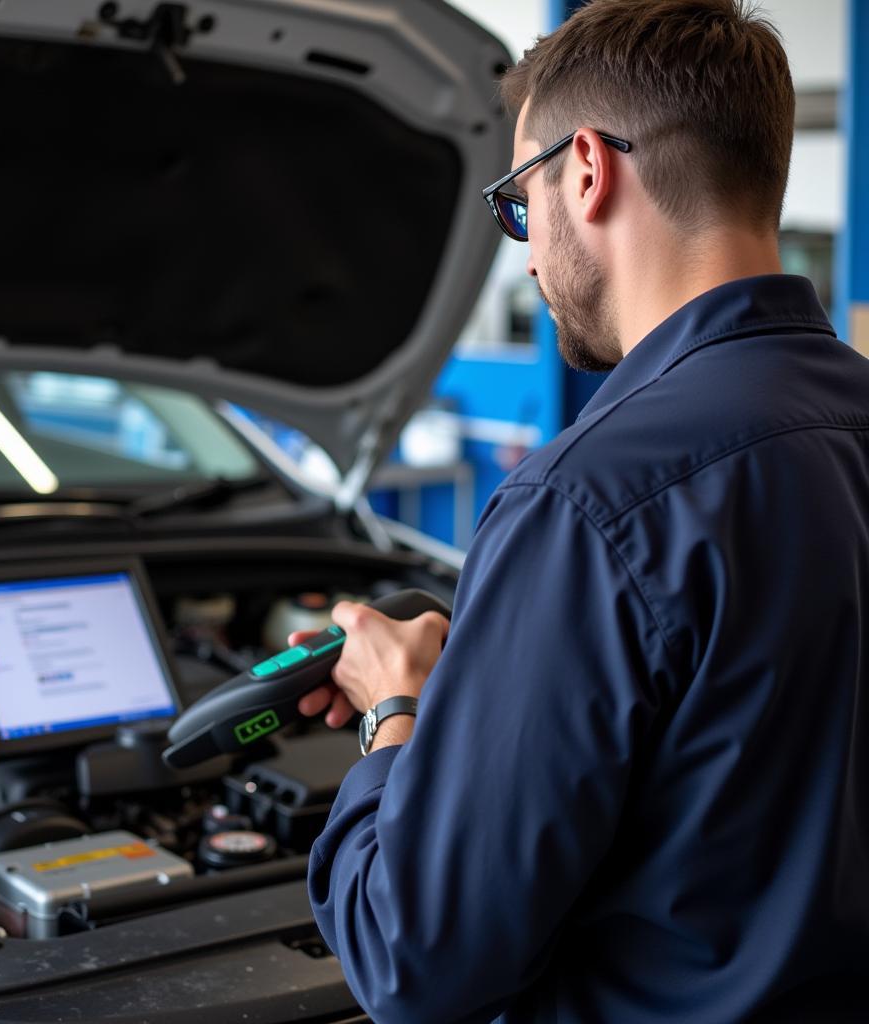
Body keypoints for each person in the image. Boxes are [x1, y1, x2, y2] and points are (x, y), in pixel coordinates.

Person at [294, 1, 869, 1021]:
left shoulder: (592, 498)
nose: (523, 253)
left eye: (518, 203)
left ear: (589, 169)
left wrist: (397, 714)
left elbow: (413, 958)